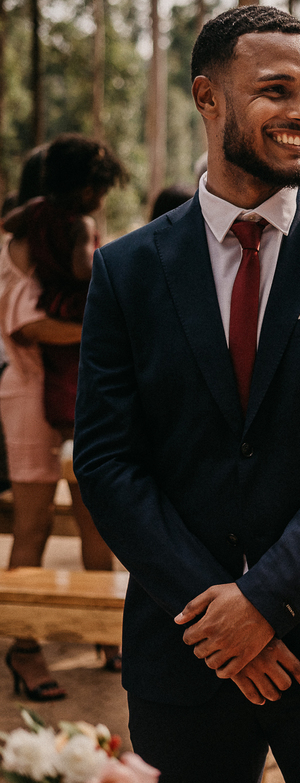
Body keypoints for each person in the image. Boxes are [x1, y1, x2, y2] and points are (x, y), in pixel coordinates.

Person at [73, 5, 300, 783]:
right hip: (184, 652)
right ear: (208, 98)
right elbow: (106, 461)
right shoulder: (126, 271)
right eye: (277, 90)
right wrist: (215, 613)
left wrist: (264, 601)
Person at [0, 144, 122, 702]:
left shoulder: (59, 233)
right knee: (34, 525)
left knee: (99, 516)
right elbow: (27, 326)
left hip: (73, 392)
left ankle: (107, 631)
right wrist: (102, 329)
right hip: (28, 393)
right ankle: (24, 645)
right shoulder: (18, 243)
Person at [3, 135, 129, 433]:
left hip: (51, 299)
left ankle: (63, 419)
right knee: (84, 365)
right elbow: (82, 269)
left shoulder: (35, 209)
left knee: (59, 368)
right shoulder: (82, 225)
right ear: (87, 191)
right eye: (102, 193)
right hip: (76, 304)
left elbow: (7, 223)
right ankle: (78, 423)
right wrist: (113, 262)